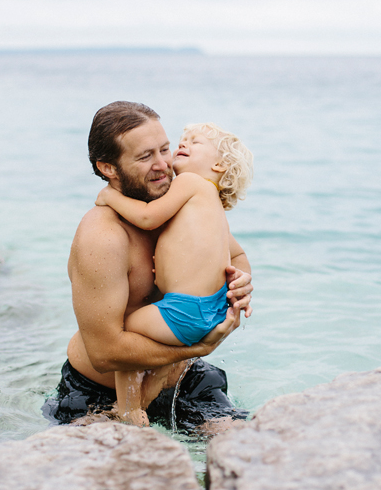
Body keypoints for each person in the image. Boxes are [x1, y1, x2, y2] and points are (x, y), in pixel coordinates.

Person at [43, 101, 253, 432]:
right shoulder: (103, 237)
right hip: (100, 394)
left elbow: (236, 255)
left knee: (245, 446)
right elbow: (105, 353)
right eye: (145, 157)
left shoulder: (177, 208)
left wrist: (237, 283)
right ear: (108, 168)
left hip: (183, 378)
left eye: (165, 149)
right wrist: (202, 346)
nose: (163, 165)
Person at [95, 122, 254, 425]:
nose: (184, 143)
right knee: (161, 354)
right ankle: (150, 392)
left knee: (125, 333)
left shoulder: (190, 183)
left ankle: (128, 411)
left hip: (184, 309)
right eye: (182, 140)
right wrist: (240, 283)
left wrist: (109, 197)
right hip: (213, 307)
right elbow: (240, 255)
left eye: (196, 142)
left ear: (218, 164)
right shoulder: (212, 206)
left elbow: (146, 217)